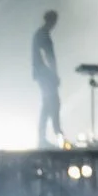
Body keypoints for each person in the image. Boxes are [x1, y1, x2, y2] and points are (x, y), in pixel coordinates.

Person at [32, 8, 62, 146]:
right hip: (45, 75)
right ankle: (56, 133)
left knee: (47, 104)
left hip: (42, 74)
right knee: (53, 103)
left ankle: (43, 137)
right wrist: (53, 74)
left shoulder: (40, 34)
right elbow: (48, 56)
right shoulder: (43, 35)